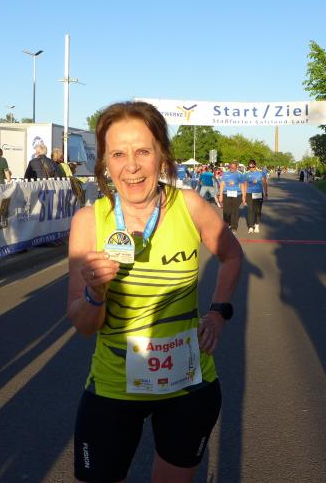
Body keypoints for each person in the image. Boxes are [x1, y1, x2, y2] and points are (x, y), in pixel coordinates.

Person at [67, 101, 243, 482]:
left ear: (162, 154)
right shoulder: (89, 221)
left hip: (188, 383)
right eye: (118, 154)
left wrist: (218, 312)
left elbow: (231, 254)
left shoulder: (189, 206)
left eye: (143, 152)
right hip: (113, 386)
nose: (131, 166)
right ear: (104, 161)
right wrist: (96, 293)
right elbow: (83, 324)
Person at [218, 161, 246, 233]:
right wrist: (220, 195)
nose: (232, 168)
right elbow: (222, 184)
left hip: (237, 195)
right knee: (226, 211)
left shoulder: (240, 175)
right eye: (231, 167)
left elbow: (242, 185)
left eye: (234, 167)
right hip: (226, 194)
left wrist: (243, 196)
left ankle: (234, 227)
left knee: (235, 211)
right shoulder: (225, 174)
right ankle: (226, 224)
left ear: (236, 167)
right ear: (229, 167)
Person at [244, 159, 268, 233]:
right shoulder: (246, 174)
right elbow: (245, 185)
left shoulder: (261, 173)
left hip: (258, 193)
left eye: (253, 167)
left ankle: (257, 225)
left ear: (255, 166)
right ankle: (251, 226)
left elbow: (264, 183)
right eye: (250, 167)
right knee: (250, 210)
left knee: (258, 210)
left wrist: (266, 193)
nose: (251, 168)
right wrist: (244, 195)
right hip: (249, 193)